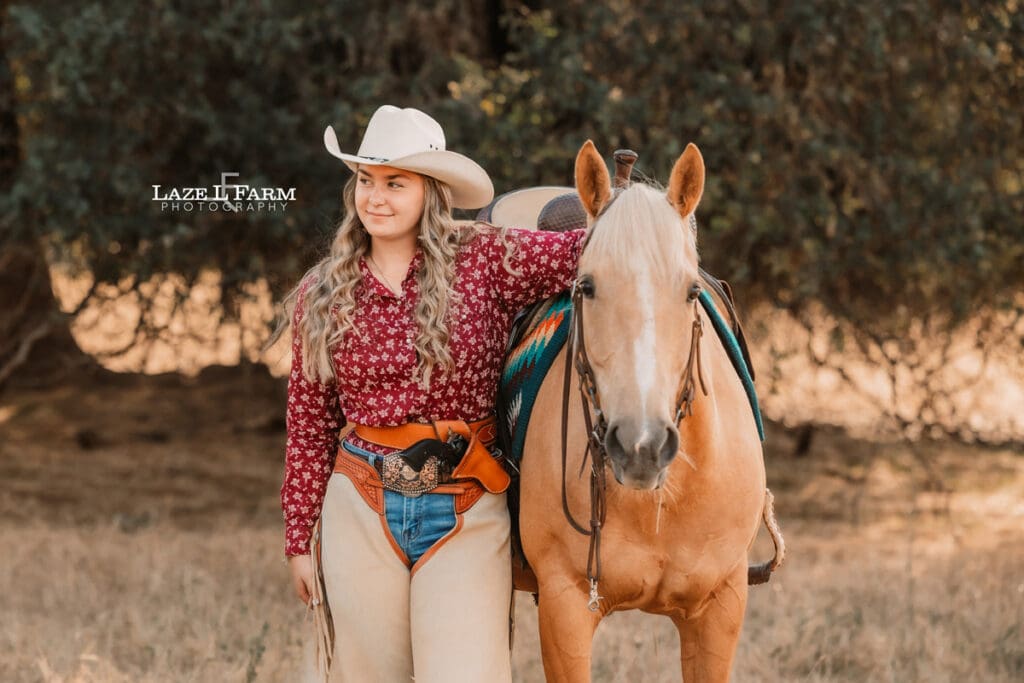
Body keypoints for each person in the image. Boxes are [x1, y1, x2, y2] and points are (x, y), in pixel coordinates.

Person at [278, 104, 587, 682]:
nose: (376, 197)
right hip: (360, 502)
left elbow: (590, 254)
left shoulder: (488, 258)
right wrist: (299, 537)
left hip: (466, 500)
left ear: (432, 191)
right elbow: (310, 423)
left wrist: (639, 220)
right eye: (366, 181)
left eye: (395, 183)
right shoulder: (323, 292)